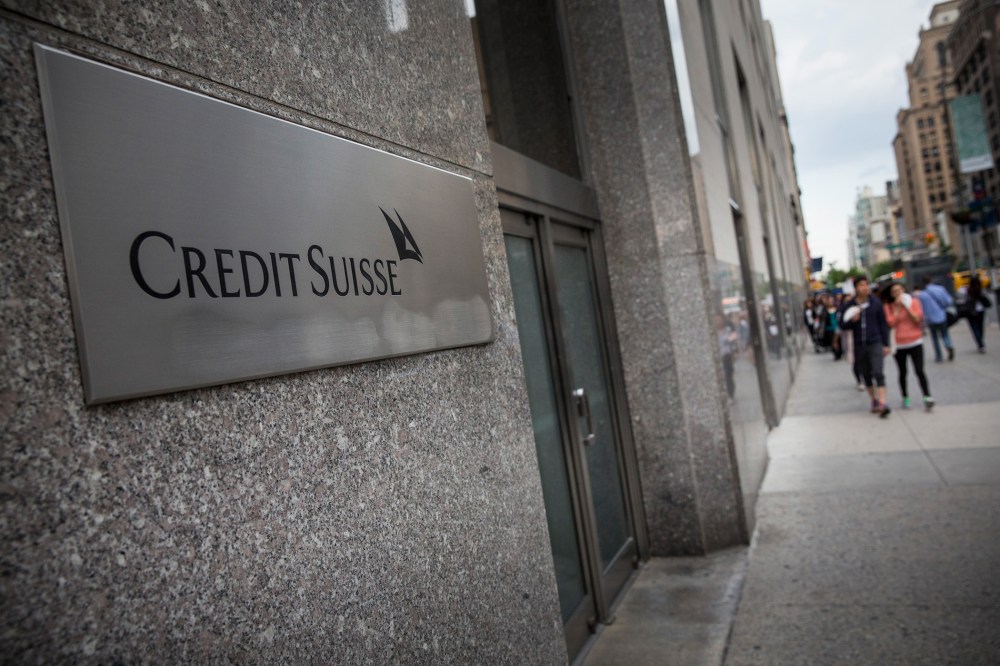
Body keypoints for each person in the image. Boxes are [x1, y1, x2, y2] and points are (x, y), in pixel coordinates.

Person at [841, 276, 892, 417]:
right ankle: (874, 399)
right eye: (861, 285)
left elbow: (883, 325)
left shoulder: (876, 304)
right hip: (859, 344)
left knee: (878, 372)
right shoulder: (849, 305)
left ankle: (883, 402)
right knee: (866, 374)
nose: (865, 288)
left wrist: (886, 344)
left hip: (875, 342)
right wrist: (852, 321)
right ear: (856, 288)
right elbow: (842, 325)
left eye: (866, 285)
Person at [884, 282, 934, 410]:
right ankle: (905, 397)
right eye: (895, 292)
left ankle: (927, 396)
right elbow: (891, 323)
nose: (898, 293)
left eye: (900, 290)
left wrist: (907, 307)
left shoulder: (914, 302)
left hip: (915, 341)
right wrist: (898, 309)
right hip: (899, 344)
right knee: (902, 372)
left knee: (919, 370)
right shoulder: (889, 306)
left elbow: (918, 319)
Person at [918, 276, 955, 362]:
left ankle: (939, 356)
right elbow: (948, 301)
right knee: (945, 334)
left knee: (935, 338)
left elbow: (922, 309)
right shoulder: (940, 289)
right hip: (942, 316)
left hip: (930, 319)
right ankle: (948, 346)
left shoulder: (922, 294)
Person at [964, 276, 992, 353]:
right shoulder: (980, 290)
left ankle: (980, 344)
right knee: (980, 327)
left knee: (975, 329)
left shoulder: (967, 290)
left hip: (970, 312)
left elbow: (963, 300)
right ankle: (981, 343)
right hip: (980, 311)